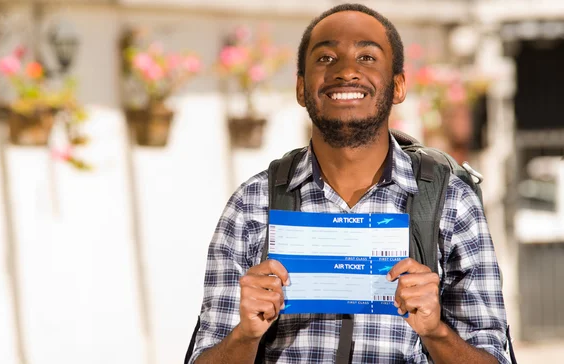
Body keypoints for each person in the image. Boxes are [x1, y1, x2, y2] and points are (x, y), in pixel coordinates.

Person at [188, 3, 510, 363]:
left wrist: (435, 331)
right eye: (326, 58)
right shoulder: (252, 204)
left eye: (368, 57)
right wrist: (245, 335)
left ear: (399, 86)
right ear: (300, 88)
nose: (346, 72)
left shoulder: (451, 203)